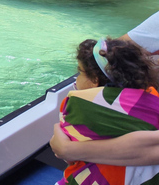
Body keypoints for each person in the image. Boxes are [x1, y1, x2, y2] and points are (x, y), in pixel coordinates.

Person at [51, 11, 159, 165]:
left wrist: (68, 149)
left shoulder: (78, 104)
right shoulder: (152, 99)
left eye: (80, 73)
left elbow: (69, 159)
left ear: (95, 80)